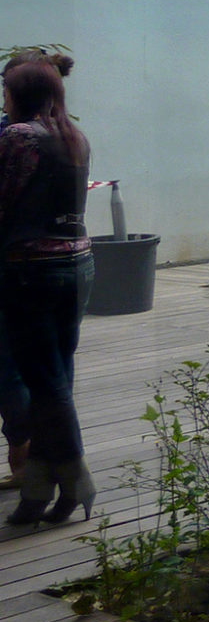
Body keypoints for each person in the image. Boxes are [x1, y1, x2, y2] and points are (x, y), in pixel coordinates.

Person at [0, 52, 96, 526]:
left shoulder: (18, 137)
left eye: (5, 90)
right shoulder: (73, 136)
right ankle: (38, 491)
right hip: (78, 266)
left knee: (45, 384)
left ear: (18, 94)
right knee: (55, 381)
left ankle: (77, 480)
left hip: (31, 272)